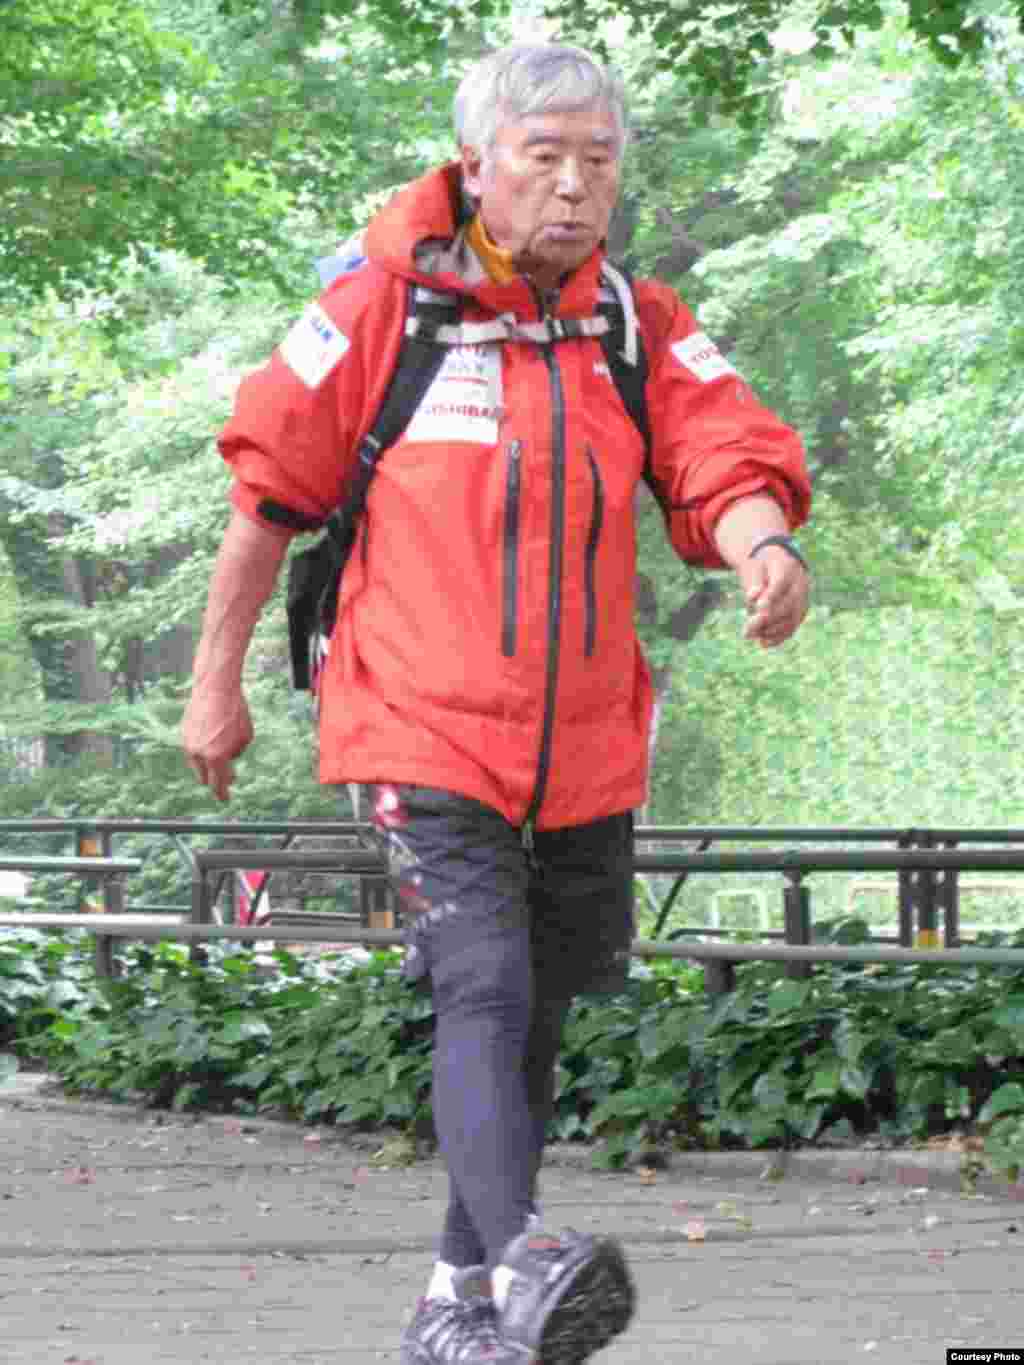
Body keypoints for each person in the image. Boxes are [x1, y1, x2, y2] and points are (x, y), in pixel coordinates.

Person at [183, 41, 812, 1365]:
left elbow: (718, 448)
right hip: (417, 717)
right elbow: (265, 501)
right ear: (477, 167)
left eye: (600, 161)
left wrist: (764, 545)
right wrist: (214, 688)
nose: (577, 187)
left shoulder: (635, 323)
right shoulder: (379, 310)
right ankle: (523, 1256)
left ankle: (456, 1298)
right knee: (482, 978)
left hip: (584, 740)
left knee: (536, 1006)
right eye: (546, 158)